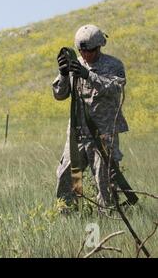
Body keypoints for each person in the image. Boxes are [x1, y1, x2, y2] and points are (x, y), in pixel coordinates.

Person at [53, 24, 129, 209]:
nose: (86, 55)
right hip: (77, 135)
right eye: (82, 51)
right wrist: (64, 74)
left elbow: (115, 88)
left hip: (103, 135)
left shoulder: (113, 65)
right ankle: (68, 214)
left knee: (105, 181)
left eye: (90, 51)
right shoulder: (74, 65)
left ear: (99, 46)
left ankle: (108, 214)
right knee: (68, 176)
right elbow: (59, 95)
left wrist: (88, 75)